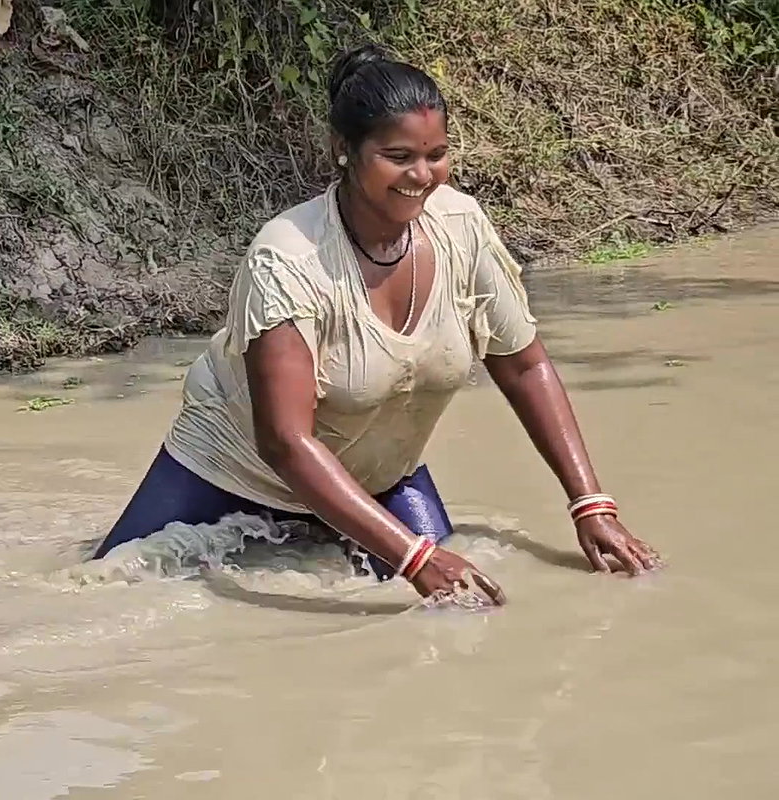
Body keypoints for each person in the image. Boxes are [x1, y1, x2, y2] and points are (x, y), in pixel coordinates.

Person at [90, 44, 663, 605]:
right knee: (104, 594)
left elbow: (524, 366)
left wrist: (591, 506)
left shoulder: (461, 228)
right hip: (230, 474)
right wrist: (415, 559)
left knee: (463, 615)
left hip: (377, 479)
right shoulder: (288, 258)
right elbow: (286, 443)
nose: (423, 175)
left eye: (436, 154)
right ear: (344, 149)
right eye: (398, 157)